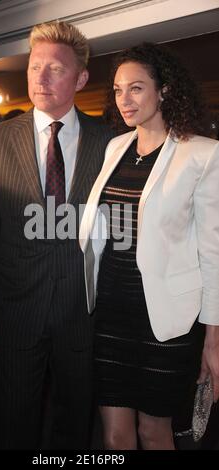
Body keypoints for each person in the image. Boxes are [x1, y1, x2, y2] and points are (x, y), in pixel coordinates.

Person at [0, 20, 114, 449]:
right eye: (34, 67)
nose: (40, 78)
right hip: (15, 310)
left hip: (82, 313)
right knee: (14, 418)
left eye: (56, 69)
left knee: (75, 419)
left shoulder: (110, 142)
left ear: (81, 78)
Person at [79, 42, 219, 450]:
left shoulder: (203, 154)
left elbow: (213, 252)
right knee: (114, 434)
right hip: (110, 313)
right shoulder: (115, 147)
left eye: (137, 88)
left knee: (153, 432)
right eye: (119, 90)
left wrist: (213, 337)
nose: (125, 99)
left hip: (166, 324)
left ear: (165, 91)